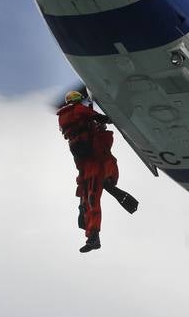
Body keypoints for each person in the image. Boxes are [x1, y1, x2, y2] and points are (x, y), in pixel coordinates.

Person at [57, 90, 138, 253]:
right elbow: (97, 118)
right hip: (95, 161)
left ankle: (90, 230)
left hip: (83, 162)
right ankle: (93, 235)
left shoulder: (64, 117)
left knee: (87, 192)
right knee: (94, 197)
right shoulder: (79, 110)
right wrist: (107, 118)